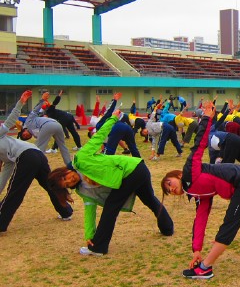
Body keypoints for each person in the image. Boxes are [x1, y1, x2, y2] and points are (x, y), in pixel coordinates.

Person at [161, 101, 240, 279]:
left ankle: (205, 268)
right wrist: (196, 250)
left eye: (169, 183)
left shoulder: (190, 171)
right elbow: (201, 217)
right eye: (169, 191)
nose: (171, 189)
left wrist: (206, 118)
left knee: (229, 224)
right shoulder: (195, 193)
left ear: (178, 175)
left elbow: (199, 145)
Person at [47, 111, 174, 256]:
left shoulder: (81, 159)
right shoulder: (84, 190)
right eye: (67, 185)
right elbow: (89, 212)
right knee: (149, 199)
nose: (70, 181)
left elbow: (99, 137)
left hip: (132, 169)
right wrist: (89, 235)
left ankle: (99, 248)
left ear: (65, 171)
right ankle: (167, 228)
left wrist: (113, 118)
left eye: (65, 178)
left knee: (111, 207)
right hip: (137, 168)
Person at [0, 90, 74, 231]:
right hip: (37, 155)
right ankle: (66, 211)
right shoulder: (7, 158)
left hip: (28, 156)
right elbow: (4, 178)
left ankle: (1, 223)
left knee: (15, 191)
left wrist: (21, 102)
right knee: (50, 184)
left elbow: (10, 120)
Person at [21, 92, 73, 166]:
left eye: (24, 135)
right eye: (26, 138)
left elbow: (35, 110)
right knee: (62, 145)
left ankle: (36, 165)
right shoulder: (35, 134)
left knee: (38, 148)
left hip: (50, 124)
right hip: (57, 125)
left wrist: (42, 100)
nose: (26, 136)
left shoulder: (28, 122)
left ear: (24, 130)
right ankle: (69, 164)